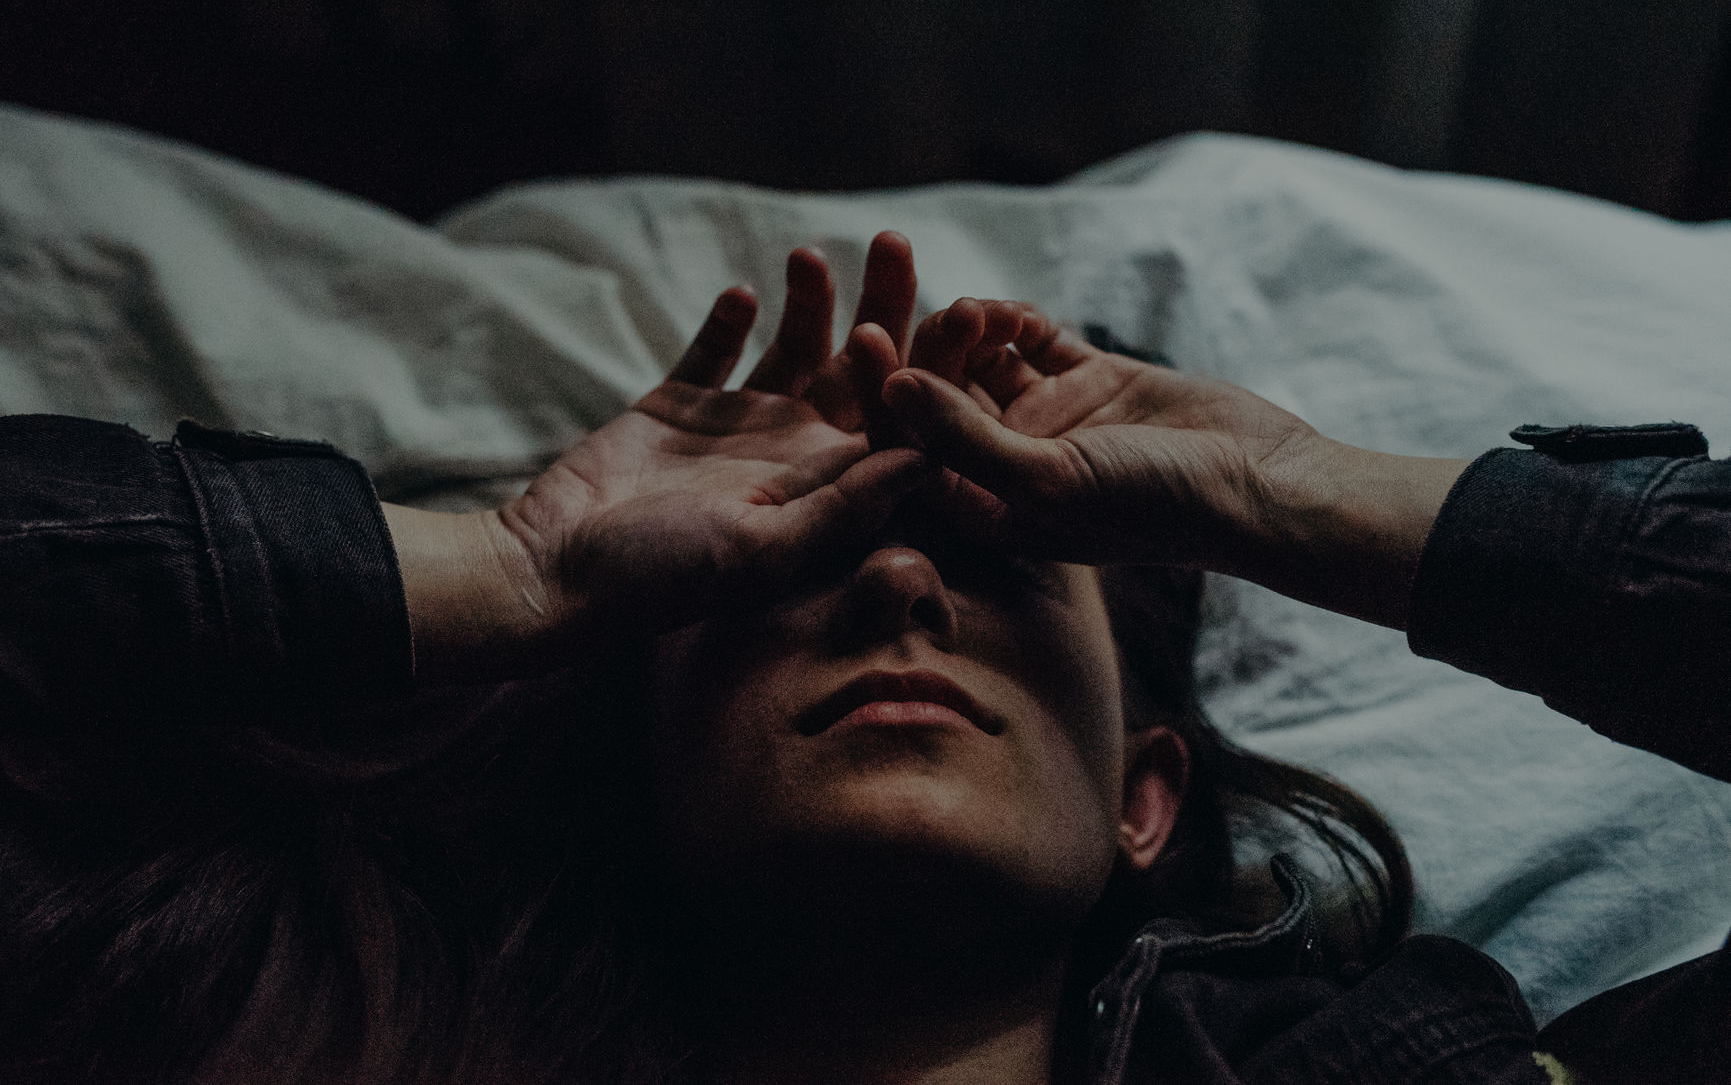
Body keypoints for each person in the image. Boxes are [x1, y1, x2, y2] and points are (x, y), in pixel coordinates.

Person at [0, 230, 1724, 1084]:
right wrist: (498, 572)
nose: (899, 586)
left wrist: (1298, 493)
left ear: (1145, 797)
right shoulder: (286, 1024)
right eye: (796, 564)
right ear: (641, 731)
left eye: (1006, 560)